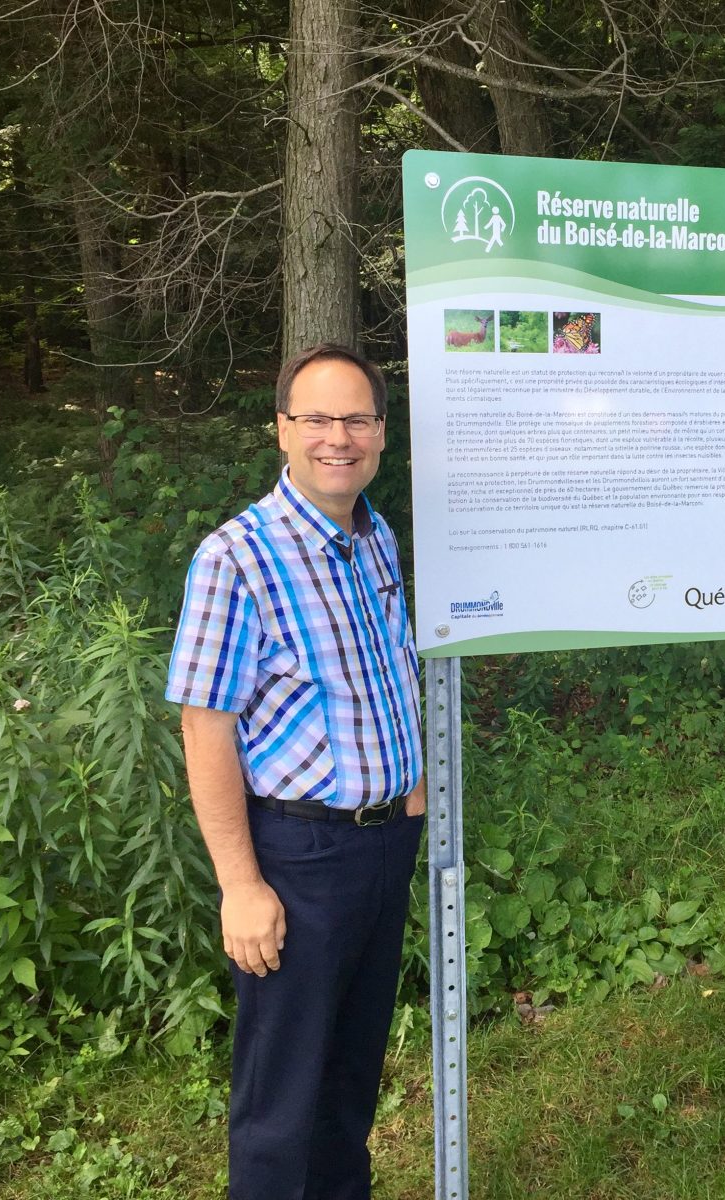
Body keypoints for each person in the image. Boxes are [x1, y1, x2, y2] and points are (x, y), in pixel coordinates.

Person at [166, 343, 427, 1200]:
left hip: (384, 849)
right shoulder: (235, 559)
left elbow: (386, 666)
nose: (337, 438)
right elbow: (206, 728)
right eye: (316, 418)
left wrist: (412, 787)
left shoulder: (375, 533)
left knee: (350, 1079)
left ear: (381, 433)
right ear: (281, 428)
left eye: (355, 418)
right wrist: (241, 885)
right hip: (298, 858)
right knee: (283, 1100)